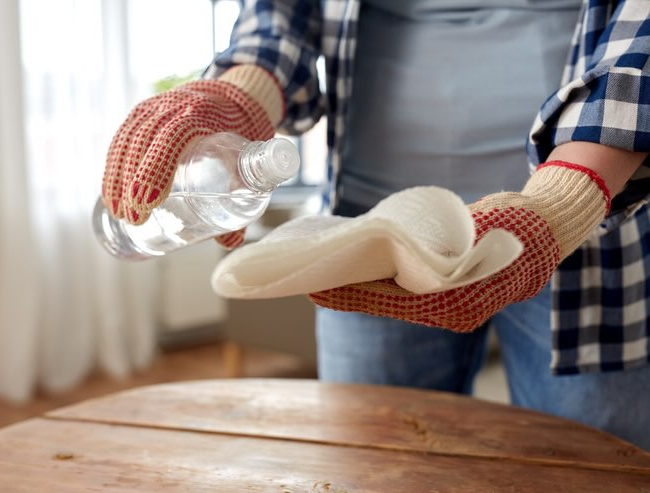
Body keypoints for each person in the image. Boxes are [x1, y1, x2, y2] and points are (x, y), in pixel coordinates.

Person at [101, 0, 650, 449]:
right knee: (369, 462)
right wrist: (238, 94)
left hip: (587, 237)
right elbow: (279, 13)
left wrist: (559, 206)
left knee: (594, 465)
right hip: (367, 239)